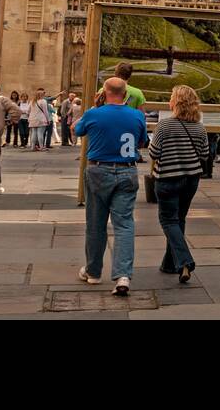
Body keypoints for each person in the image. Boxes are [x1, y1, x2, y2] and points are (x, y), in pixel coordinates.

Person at [74, 77, 148, 296]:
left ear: (104, 92)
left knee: (96, 223)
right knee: (124, 224)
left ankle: (93, 272)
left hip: (98, 170)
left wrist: (96, 107)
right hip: (127, 170)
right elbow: (142, 141)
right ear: (125, 94)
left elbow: (77, 130)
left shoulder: (94, 113)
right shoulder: (137, 115)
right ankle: (123, 275)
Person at [147, 84, 209, 283]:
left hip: (167, 179)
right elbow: (204, 154)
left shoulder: (164, 125)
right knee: (179, 219)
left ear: (176, 102)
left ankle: (184, 261)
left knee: (168, 220)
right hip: (191, 179)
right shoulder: (199, 127)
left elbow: (154, 153)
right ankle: (170, 264)